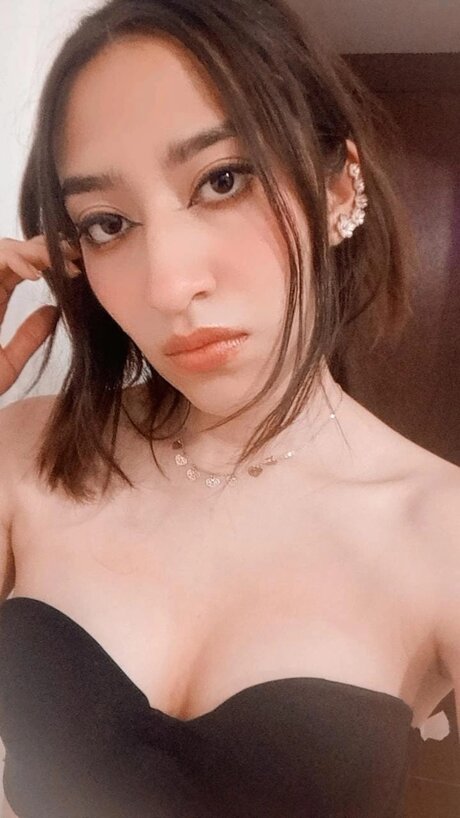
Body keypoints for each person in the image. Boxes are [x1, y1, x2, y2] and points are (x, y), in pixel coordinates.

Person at [0, 0, 459, 815]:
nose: (169, 285)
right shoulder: (28, 451)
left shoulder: (440, 533)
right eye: (107, 223)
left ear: (338, 187)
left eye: (222, 180)